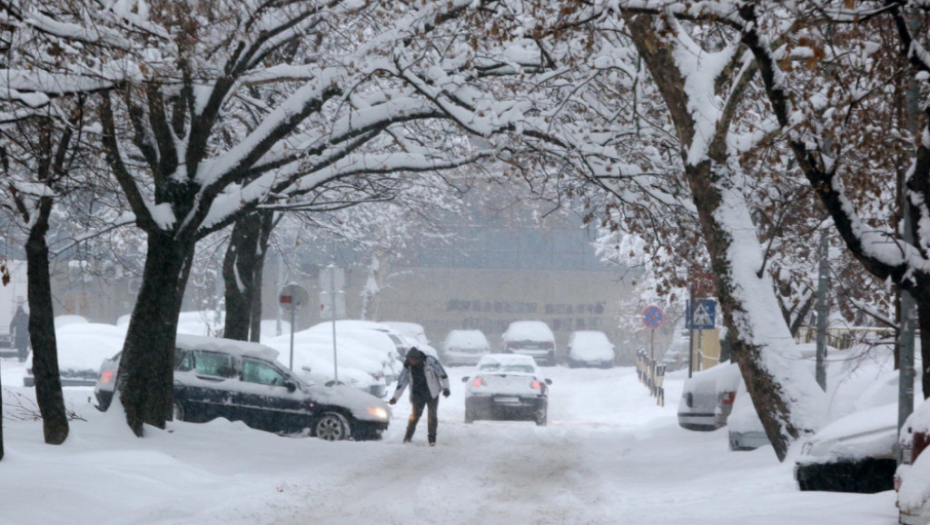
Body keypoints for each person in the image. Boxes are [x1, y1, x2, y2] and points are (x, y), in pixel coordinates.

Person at [389, 347, 450, 446]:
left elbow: (442, 374)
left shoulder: (430, 361)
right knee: (415, 416)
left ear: (418, 358)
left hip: (432, 393)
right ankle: (408, 437)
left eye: (413, 360)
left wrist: (446, 388)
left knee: (432, 416)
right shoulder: (407, 367)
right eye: (409, 360)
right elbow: (402, 383)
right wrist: (395, 398)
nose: (411, 362)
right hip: (417, 394)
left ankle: (432, 438)